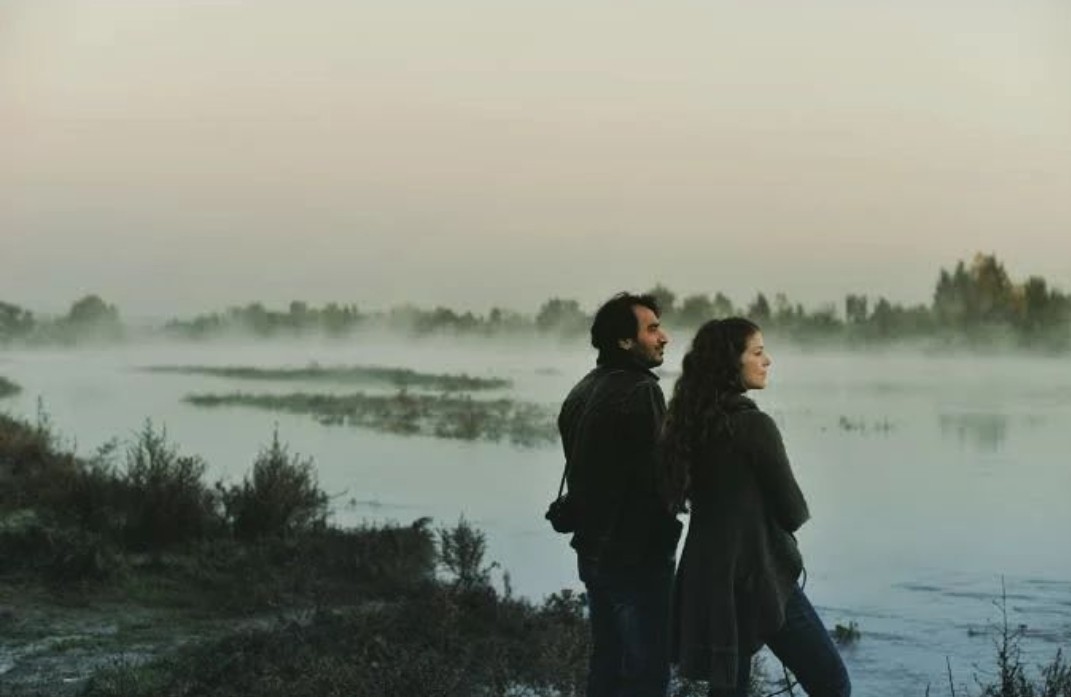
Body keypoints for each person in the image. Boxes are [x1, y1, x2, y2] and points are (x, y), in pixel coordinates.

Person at [660, 318, 850, 697]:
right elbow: (792, 511)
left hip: (707, 578)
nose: (768, 361)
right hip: (756, 576)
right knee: (832, 684)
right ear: (732, 362)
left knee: (729, 693)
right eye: (758, 353)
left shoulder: (688, 423)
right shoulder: (754, 426)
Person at [558, 292, 683, 697]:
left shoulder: (582, 390)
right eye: (652, 329)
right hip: (636, 558)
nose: (664, 337)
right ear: (624, 342)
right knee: (646, 675)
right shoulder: (641, 391)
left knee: (607, 666)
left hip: (594, 554)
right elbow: (658, 479)